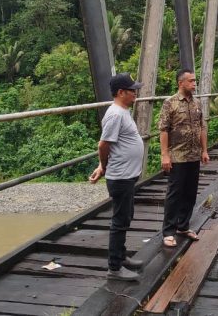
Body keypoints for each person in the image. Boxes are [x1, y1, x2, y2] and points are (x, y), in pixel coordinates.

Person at [88, 73, 145, 281]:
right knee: (119, 221)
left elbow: (114, 144)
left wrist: (101, 168)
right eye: (132, 90)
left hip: (127, 175)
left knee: (125, 216)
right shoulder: (115, 115)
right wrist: (103, 166)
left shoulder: (123, 111)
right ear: (121, 93)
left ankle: (121, 257)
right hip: (120, 177)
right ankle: (114, 267)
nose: (136, 93)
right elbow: (103, 145)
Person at [158, 68, 210, 248]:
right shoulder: (169, 103)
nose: (194, 84)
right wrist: (165, 155)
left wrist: (204, 150)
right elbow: (163, 130)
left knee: (190, 193)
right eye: (191, 81)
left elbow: (202, 127)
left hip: (194, 155)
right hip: (177, 156)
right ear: (181, 83)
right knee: (174, 194)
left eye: (195, 81)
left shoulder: (197, 103)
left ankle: (183, 226)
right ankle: (168, 231)